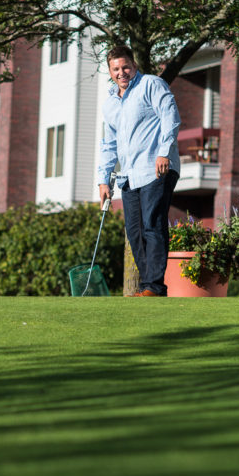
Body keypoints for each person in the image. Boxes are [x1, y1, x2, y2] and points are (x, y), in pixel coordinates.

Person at [97, 45, 181, 297]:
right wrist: (104, 181)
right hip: (129, 177)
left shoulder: (152, 84)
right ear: (110, 71)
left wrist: (164, 151)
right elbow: (109, 145)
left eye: (125, 67)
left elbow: (170, 116)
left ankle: (154, 286)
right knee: (134, 232)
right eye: (115, 69)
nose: (121, 72)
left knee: (152, 224)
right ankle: (148, 286)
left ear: (134, 65)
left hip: (157, 168)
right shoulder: (110, 103)